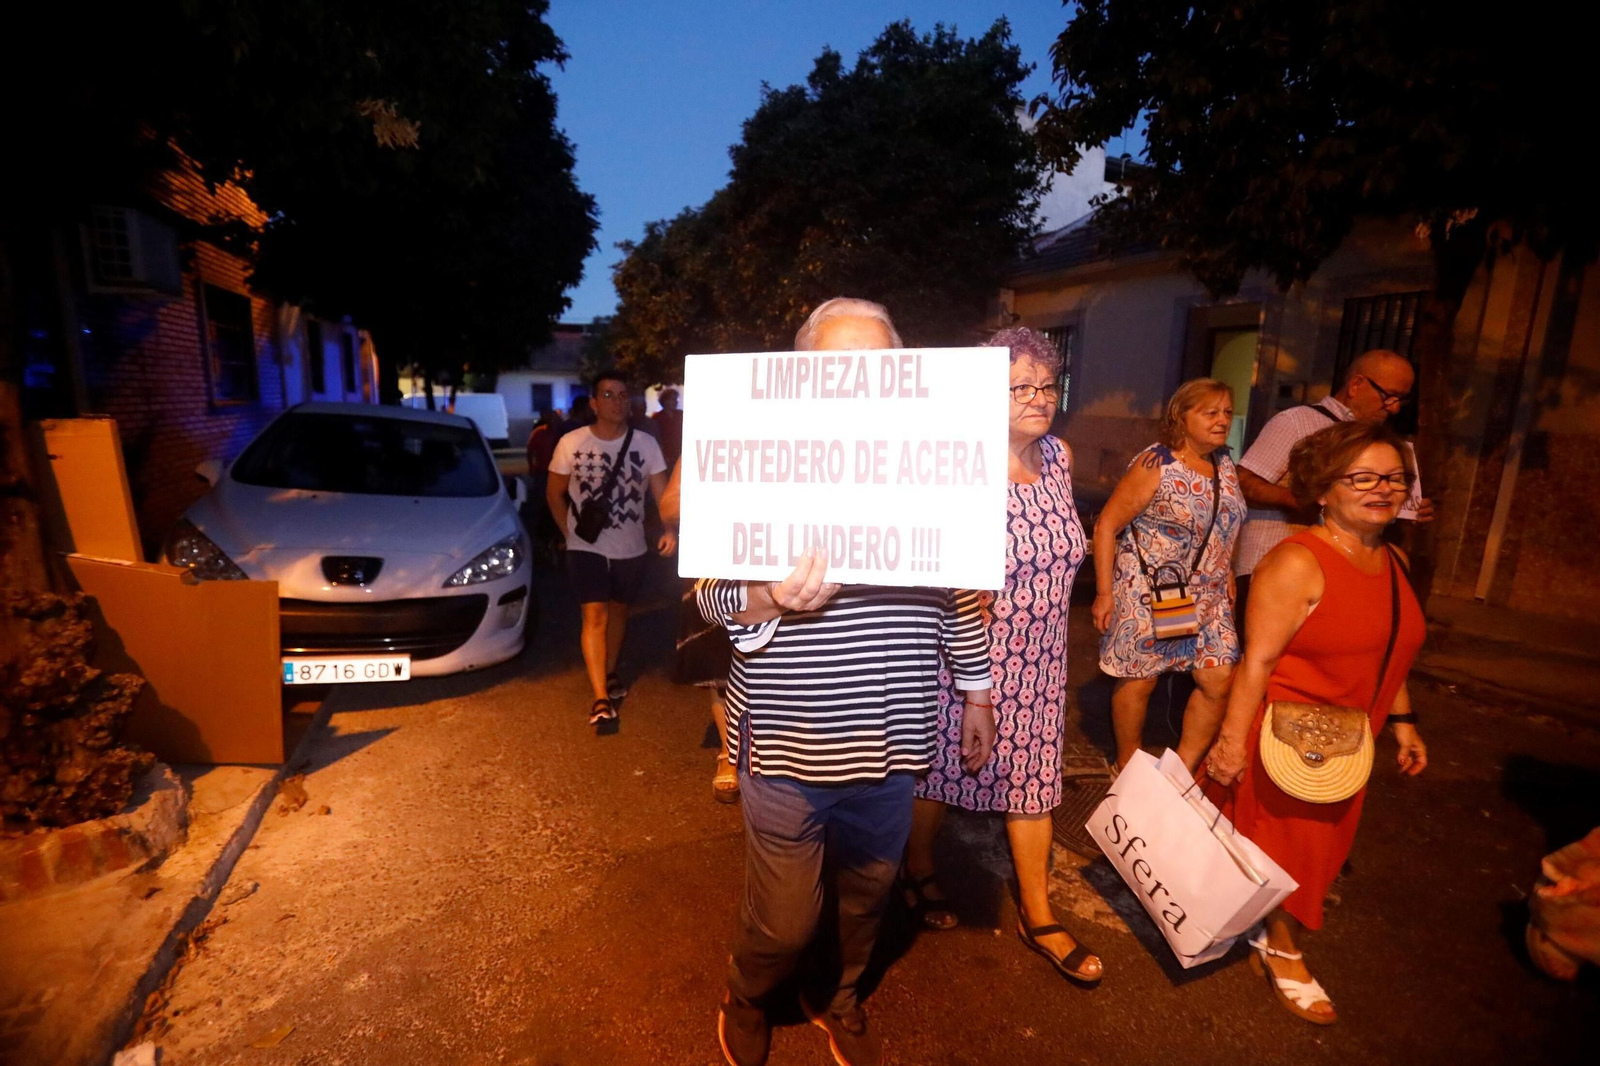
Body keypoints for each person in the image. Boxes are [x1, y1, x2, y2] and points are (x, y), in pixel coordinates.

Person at [704, 297, 994, 1066]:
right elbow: (708, 597)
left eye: (877, 365)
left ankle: (836, 997)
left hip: (892, 748)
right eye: (837, 367)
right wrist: (767, 596)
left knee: (867, 900)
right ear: (801, 379)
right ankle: (749, 988)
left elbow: (960, 596)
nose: (858, 382)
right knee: (784, 921)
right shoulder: (758, 473)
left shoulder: (934, 476)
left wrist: (977, 693)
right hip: (790, 747)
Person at [1203, 419, 1428, 1025]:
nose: (1382, 488)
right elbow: (1258, 662)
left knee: (1317, 848)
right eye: (1363, 477)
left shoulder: (1394, 559)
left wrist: (1403, 721)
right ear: (1323, 490)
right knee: (1297, 850)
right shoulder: (1299, 561)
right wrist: (1229, 745)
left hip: (1350, 738)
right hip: (1290, 741)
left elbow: (1389, 648)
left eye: (1394, 477)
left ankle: (1251, 924)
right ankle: (1282, 948)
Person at [904, 327, 1102, 984]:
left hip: (1044, 658)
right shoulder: (958, 467)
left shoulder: (1060, 457)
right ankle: (919, 868)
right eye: (1020, 387)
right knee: (938, 775)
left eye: (1047, 386)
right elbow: (926, 557)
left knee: (1035, 783)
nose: (1039, 399)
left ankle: (1038, 913)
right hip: (971, 659)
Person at [1092, 378, 1246, 774]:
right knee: (1142, 679)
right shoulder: (1156, 463)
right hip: (1158, 591)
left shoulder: (1224, 462)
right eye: (1209, 412)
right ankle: (1127, 762)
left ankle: (1181, 770)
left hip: (1207, 595)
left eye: (1227, 412)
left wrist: (1226, 564)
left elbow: (1225, 519)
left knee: (1218, 677)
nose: (1222, 421)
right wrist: (1105, 593)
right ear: (1181, 416)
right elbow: (1107, 524)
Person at [1233, 349, 1433, 626]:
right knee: (1266, 661)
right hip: (1274, 571)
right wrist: (1302, 499)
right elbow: (1241, 482)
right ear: (1356, 385)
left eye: (1402, 400)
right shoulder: (1297, 422)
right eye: (1388, 396)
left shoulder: (1376, 441)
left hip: (1335, 573)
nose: (1395, 408)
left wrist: (1404, 507)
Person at [547, 370, 675, 726]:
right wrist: (567, 533)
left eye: (622, 395)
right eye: (608, 395)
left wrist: (669, 528)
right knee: (594, 616)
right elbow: (554, 494)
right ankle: (601, 698)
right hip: (586, 546)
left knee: (620, 612)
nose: (617, 402)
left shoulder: (645, 444)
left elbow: (662, 494)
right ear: (593, 403)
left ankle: (611, 670)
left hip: (631, 545)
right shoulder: (571, 443)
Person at [658, 458, 738, 803]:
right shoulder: (707, 439)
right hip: (715, 568)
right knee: (720, 666)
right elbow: (669, 506)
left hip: (781, 568)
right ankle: (728, 753)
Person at [652, 387, 684, 467]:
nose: (675, 402)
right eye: (672, 399)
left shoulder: (681, 414)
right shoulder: (657, 417)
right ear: (665, 401)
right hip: (665, 455)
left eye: (676, 399)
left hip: (680, 453)